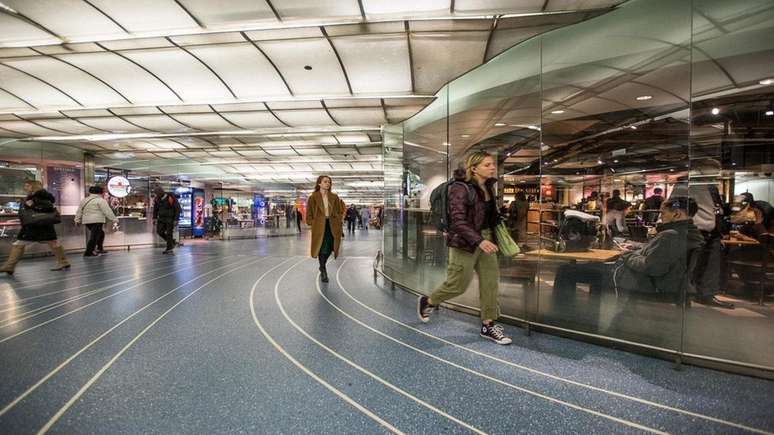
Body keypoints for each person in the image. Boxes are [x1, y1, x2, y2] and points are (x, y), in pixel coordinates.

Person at [417, 151, 512, 345]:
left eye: (492, 164)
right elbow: (458, 221)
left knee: (490, 283)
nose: (492, 167)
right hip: (464, 242)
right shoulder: (460, 189)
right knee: (458, 284)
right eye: (487, 165)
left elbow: (487, 215)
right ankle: (429, 301)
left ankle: (488, 325)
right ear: (474, 168)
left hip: (486, 238)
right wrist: (479, 240)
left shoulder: (488, 187)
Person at [554, 197, 703, 299]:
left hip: (644, 282)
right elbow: (659, 252)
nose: (660, 217)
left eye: (663, 213)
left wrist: (626, 254)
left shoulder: (670, 235)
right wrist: (635, 246)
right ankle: (593, 312)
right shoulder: (690, 234)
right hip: (668, 282)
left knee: (566, 270)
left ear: (676, 214)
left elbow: (651, 267)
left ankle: (562, 315)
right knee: (596, 268)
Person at [1, 180, 70, 275]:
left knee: (19, 243)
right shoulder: (39, 196)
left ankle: (9, 266)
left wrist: (32, 204)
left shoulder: (38, 196)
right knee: (53, 243)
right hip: (42, 225)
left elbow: (48, 207)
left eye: (27, 185)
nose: (25, 187)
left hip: (35, 225)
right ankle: (63, 262)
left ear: (33, 186)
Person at [307, 175, 345, 283]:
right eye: (325, 181)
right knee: (321, 247)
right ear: (319, 183)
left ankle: (322, 266)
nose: (327, 184)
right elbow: (309, 213)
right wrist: (312, 222)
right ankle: (323, 270)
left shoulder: (334, 197)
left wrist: (339, 220)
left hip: (332, 224)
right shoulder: (313, 197)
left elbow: (339, 211)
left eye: (329, 182)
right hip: (319, 226)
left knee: (330, 247)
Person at [75, 185, 117, 257]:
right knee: (94, 236)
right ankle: (88, 252)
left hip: (87, 221)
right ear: (100, 193)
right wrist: (114, 219)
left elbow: (79, 211)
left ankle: (99, 248)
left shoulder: (84, 200)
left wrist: (77, 220)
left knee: (100, 234)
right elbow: (107, 211)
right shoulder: (101, 200)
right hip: (97, 220)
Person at [152, 186, 181, 255]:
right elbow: (155, 209)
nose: (157, 195)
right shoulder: (157, 199)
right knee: (159, 231)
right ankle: (172, 242)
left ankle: (169, 249)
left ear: (162, 192)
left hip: (170, 218)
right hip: (161, 219)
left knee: (169, 233)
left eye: (158, 193)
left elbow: (177, 208)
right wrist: (154, 218)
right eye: (156, 194)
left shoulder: (171, 198)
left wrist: (176, 219)